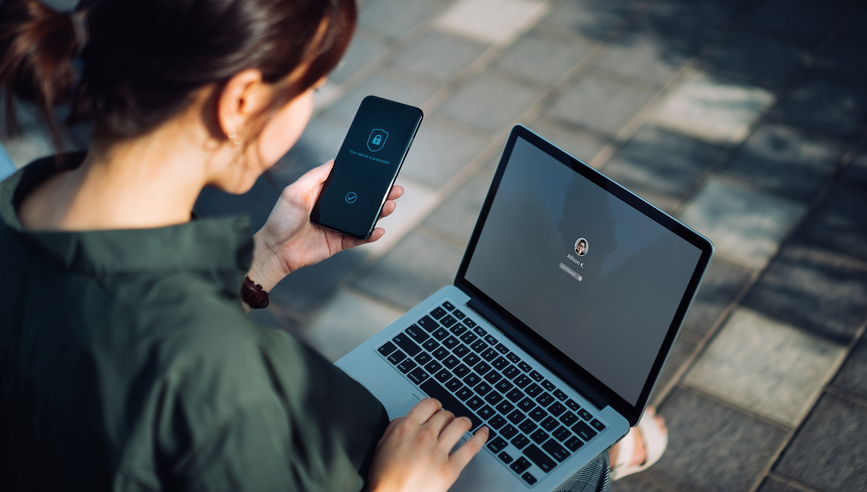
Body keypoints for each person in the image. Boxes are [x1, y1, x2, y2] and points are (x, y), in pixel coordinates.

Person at [0, 1, 665, 490]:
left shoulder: (21, 203)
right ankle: (606, 460)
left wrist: (266, 261)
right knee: (564, 466)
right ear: (238, 104)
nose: (312, 106)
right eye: (311, 87)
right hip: (382, 469)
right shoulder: (214, 377)